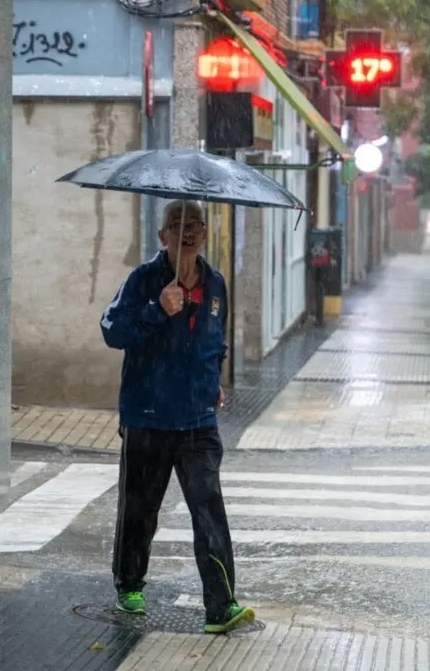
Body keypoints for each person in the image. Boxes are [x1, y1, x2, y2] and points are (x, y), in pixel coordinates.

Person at [101, 199, 255, 633]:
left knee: (209, 511)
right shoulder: (143, 280)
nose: (186, 233)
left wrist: (212, 381)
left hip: (197, 422)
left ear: (204, 233)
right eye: (176, 225)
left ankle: (220, 606)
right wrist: (157, 310)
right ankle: (129, 584)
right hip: (147, 417)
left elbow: (215, 341)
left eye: (194, 226)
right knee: (140, 509)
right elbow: (113, 331)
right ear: (162, 235)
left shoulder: (216, 284)